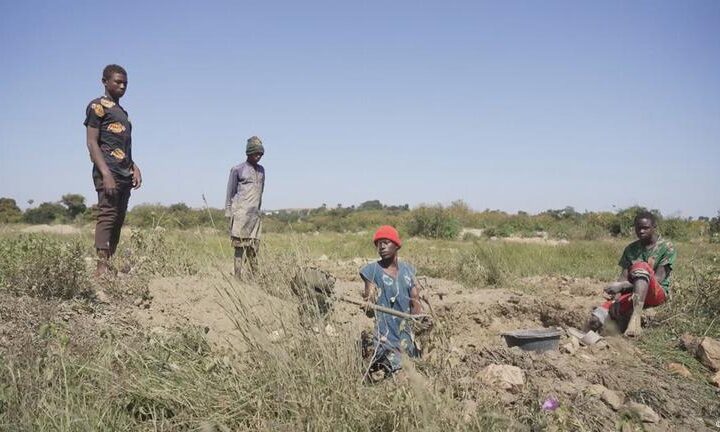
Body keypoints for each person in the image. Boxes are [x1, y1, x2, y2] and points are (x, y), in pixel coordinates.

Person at [84, 64, 142, 277]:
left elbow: (124, 146)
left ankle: (110, 263)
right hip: (107, 171)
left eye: (125, 83)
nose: (122, 85)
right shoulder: (97, 106)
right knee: (107, 215)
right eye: (117, 81)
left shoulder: (122, 113)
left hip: (124, 172)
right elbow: (92, 143)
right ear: (105, 82)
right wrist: (106, 173)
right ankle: (101, 269)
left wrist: (134, 166)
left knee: (118, 218)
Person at [587, 211, 677, 337]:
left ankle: (635, 320)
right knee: (596, 318)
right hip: (633, 293)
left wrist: (623, 286)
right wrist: (616, 299)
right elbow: (623, 277)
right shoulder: (631, 249)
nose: (641, 231)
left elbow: (658, 279)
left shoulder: (667, 247)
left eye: (645, 228)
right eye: (638, 228)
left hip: (656, 294)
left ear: (654, 228)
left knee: (641, 267)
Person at [359, 225, 427, 377]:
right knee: (390, 363)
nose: (381, 246)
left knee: (412, 360)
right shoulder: (371, 271)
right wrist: (368, 301)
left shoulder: (409, 270)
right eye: (378, 244)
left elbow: (415, 300)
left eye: (386, 242)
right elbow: (369, 300)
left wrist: (418, 320)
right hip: (384, 331)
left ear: (396, 245)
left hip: (405, 330)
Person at [225, 136, 265, 279]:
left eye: (260, 154)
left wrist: (258, 212)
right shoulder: (237, 169)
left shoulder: (261, 171)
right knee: (239, 248)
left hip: (254, 216)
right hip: (240, 215)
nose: (258, 156)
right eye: (256, 153)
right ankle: (237, 278)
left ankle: (255, 278)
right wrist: (229, 213)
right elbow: (230, 193)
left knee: (253, 249)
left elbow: (261, 193)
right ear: (249, 152)